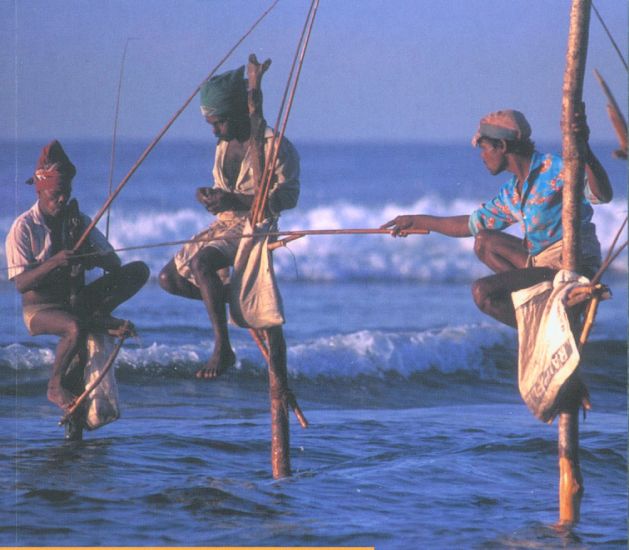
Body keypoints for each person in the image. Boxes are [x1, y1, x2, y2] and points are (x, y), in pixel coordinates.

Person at [381, 107, 612, 328]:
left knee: (483, 293)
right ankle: (538, 315)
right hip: (543, 267)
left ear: (501, 146)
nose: (482, 156)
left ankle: (538, 326)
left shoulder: (556, 168)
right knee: (484, 241)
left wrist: (585, 151)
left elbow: (601, 195)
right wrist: (416, 221)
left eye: (484, 148)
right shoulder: (512, 192)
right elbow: (470, 225)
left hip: (573, 266)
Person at [158, 66, 300, 379]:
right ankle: (237, 303)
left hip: (256, 225)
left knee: (203, 263)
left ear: (238, 111)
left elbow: (287, 197)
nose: (215, 131)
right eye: (211, 124)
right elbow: (226, 192)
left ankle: (222, 347)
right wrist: (210, 196)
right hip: (225, 224)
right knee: (169, 279)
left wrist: (235, 202)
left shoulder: (274, 145)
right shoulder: (223, 145)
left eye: (219, 122)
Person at [5, 140, 150, 415]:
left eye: (66, 193)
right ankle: (55, 385)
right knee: (74, 328)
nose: (62, 200)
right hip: (41, 310)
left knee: (138, 270)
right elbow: (21, 284)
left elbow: (114, 262)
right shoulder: (23, 228)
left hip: (77, 302)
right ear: (41, 191)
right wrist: (55, 263)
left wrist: (89, 255)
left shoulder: (78, 220)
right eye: (55, 194)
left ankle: (94, 318)